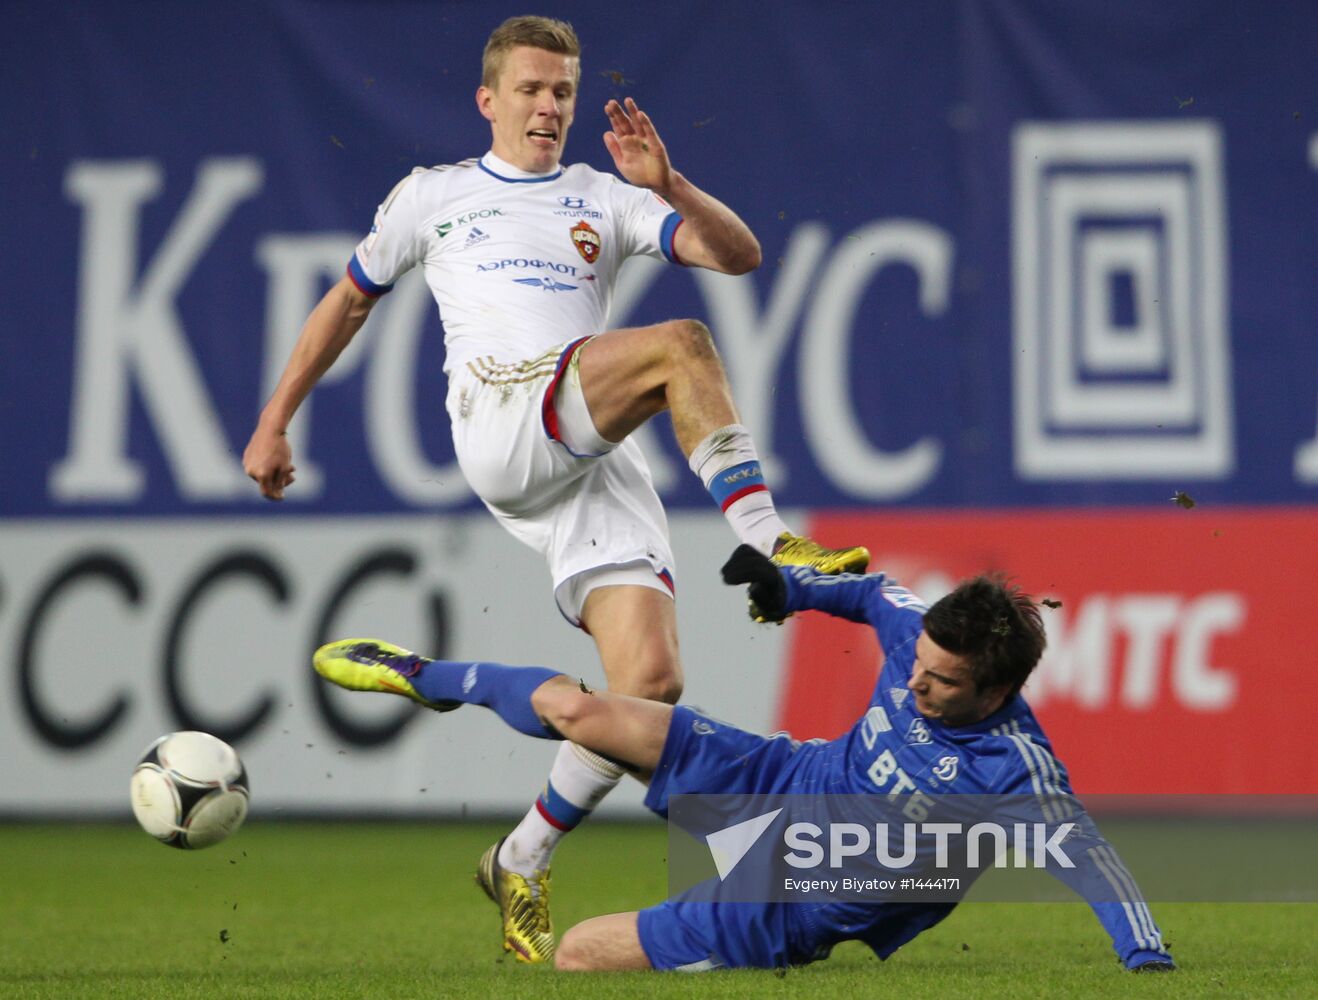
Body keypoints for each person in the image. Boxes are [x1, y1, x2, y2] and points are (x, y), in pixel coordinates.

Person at [241, 14, 868, 963]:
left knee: (649, 688)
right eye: (532, 89)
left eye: (564, 92)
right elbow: (347, 300)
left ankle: (520, 854)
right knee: (681, 346)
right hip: (502, 413)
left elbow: (739, 257)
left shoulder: (602, 197)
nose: (549, 106)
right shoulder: (433, 196)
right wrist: (273, 418)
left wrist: (673, 187)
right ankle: (776, 542)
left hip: (584, 456)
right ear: (488, 99)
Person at [311, 546, 1177, 973]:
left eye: (942, 683)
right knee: (584, 711)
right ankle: (427, 677)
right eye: (919, 667)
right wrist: (794, 589)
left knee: (575, 955)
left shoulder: (1017, 773)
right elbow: (876, 592)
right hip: (779, 778)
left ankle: (526, 867)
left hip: (787, 901)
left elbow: (1094, 864)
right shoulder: (923, 638)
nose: (916, 682)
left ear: (994, 693)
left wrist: (1145, 958)